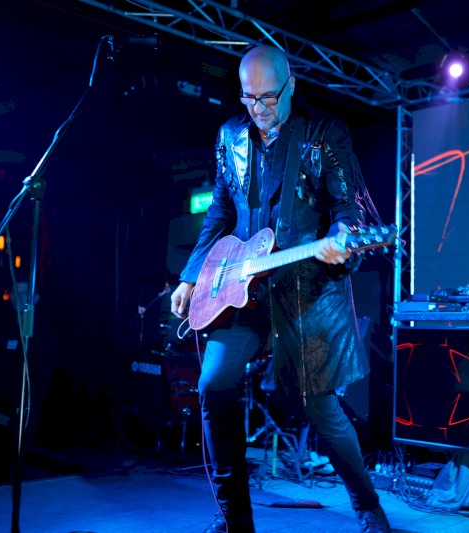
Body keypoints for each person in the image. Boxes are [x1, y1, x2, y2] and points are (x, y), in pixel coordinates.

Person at [170, 45, 391, 533]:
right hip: (241, 284)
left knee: (319, 405)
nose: (258, 108)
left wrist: (341, 238)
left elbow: (348, 206)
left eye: (268, 97)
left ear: (290, 86)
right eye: (249, 98)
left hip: (306, 286)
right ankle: (234, 520)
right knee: (212, 385)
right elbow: (220, 211)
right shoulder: (230, 135)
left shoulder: (324, 133)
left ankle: (367, 507)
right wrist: (191, 274)